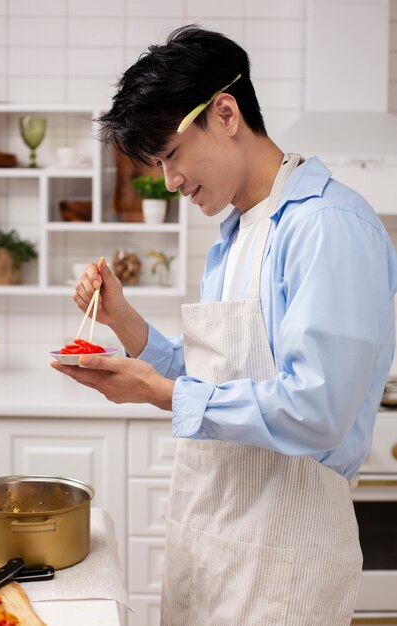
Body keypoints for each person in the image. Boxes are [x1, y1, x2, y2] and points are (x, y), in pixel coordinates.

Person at [50, 25, 397, 626]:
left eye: (171, 156)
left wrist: (158, 393)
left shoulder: (325, 226)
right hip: (213, 551)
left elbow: (319, 409)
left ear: (226, 113)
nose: (169, 181)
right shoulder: (237, 234)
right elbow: (217, 375)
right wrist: (124, 321)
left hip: (287, 566)